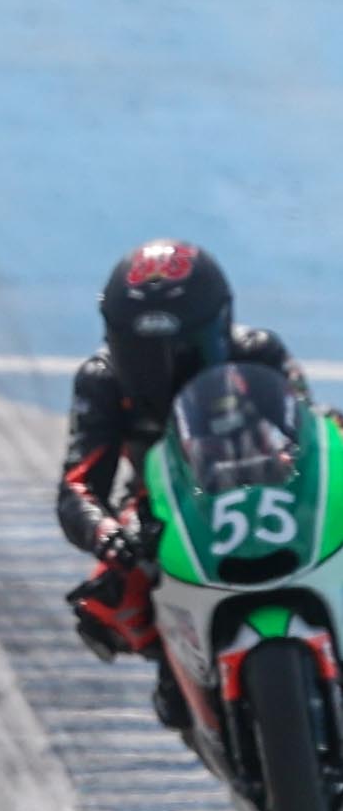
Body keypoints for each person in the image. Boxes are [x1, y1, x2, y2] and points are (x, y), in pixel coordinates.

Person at [61, 240, 303, 721]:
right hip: (165, 506)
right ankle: (177, 668)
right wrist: (107, 534)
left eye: (182, 350)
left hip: (272, 486)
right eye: (141, 352)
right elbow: (78, 484)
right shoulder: (101, 380)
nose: (163, 368)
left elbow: (313, 434)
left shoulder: (260, 353)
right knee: (105, 603)